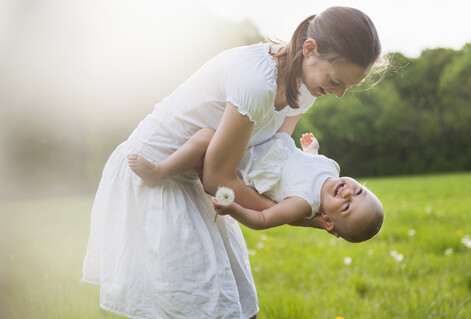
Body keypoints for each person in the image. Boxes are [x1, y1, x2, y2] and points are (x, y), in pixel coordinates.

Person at [83, 6, 384, 319]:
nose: (338, 95)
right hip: (159, 176)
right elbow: (216, 178)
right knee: (193, 307)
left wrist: (316, 210)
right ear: (310, 49)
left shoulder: (307, 87)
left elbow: (273, 152)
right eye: (336, 81)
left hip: (201, 183)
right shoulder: (258, 82)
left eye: (348, 86)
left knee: (236, 306)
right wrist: (309, 216)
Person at [128, 130, 383, 243]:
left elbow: (263, 219)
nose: (349, 192)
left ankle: (158, 171)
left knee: (206, 137)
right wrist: (311, 148)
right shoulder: (332, 167)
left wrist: (234, 210)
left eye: (347, 206)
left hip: (242, 161)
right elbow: (310, 163)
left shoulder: (301, 204)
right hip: (261, 139)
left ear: (327, 222)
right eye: (359, 191)